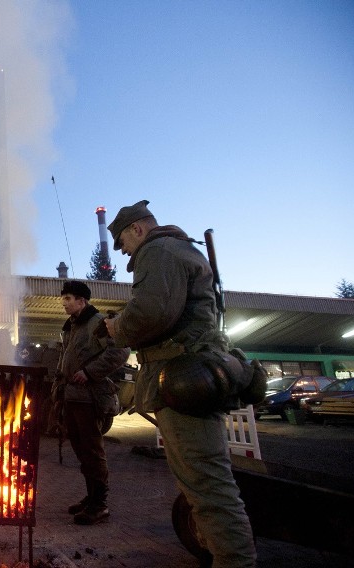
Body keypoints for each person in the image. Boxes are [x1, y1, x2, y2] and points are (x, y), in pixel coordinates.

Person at [105, 200, 256, 567]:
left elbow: (150, 315)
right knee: (200, 483)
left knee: (208, 487)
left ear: (138, 229)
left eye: (123, 241)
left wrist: (115, 327)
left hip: (183, 381)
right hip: (186, 378)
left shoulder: (157, 251)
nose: (124, 250)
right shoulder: (178, 249)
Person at [52, 280, 130, 525]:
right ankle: (91, 497)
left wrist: (89, 372)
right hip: (73, 397)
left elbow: (121, 350)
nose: (64, 303)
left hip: (90, 398)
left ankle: (100, 505)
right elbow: (66, 358)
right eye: (63, 299)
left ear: (82, 301)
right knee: (81, 449)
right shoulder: (72, 326)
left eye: (68, 299)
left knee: (93, 450)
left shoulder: (97, 323)